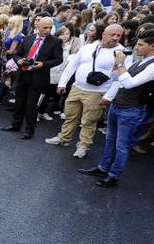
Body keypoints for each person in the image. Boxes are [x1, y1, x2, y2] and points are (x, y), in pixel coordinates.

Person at [79, 30, 154, 187]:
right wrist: (117, 64)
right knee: (110, 140)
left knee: (122, 145)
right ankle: (103, 168)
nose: (136, 47)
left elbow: (129, 83)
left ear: (153, 46)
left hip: (132, 110)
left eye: (141, 44)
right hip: (117, 105)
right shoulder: (141, 61)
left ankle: (113, 176)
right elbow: (116, 78)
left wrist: (121, 64)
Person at [44, 24, 124, 159]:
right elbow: (73, 65)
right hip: (77, 88)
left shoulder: (121, 53)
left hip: (98, 92)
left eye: (118, 35)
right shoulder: (88, 47)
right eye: (112, 35)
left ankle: (83, 146)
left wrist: (109, 96)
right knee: (70, 115)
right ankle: (64, 137)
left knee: (89, 121)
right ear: (103, 34)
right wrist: (62, 83)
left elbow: (119, 78)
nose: (115, 38)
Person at [0, 16, 64, 139]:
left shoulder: (55, 41)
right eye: (45, 27)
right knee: (19, 101)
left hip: (39, 77)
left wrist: (43, 64)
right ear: (37, 26)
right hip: (23, 74)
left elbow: (58, 59)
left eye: (50, 27)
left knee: (31, 105)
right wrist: (19, 61)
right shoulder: (29, 38)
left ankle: (29, 130)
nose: (48, 30)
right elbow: (17, 54)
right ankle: (15, 124)